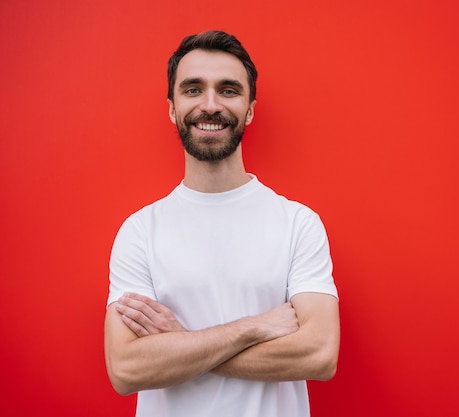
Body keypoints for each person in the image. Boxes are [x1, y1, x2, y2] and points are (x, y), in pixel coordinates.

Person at [104, 30, 340, 417]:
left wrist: (181, 344)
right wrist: (254, 328)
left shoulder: (298, 223)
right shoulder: (140, 231)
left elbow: (319, 353)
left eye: (228, 90)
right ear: (172, 107)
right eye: (193, 89)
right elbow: (126, 368)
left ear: (249, 109)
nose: (210, 105)